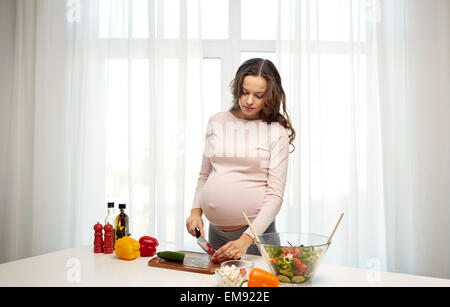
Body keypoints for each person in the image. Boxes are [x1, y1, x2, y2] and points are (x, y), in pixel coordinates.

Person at [185, 58, 296, 262]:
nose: (249, 101)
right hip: (216, 233)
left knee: (258, 289)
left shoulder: (276, 133)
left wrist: (246, 239)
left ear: (270, 96)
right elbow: (205, 175)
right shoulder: (217, 121)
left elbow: (275, 196)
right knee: (223, 287)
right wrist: (195, 212)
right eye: (245, 92)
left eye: (258, 95)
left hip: (257, 235)